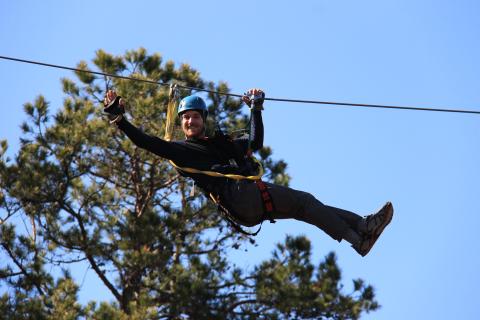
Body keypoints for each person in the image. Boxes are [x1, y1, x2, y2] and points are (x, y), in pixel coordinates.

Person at [103, 88, 393, 256]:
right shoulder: (182, 151)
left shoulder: (222, 144)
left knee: (309, 207)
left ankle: (363, 227)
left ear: (204, 120)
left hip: (249, 199)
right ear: (181, 124)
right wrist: (120, 118)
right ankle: (359, 238)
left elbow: (255, 142)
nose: (190, 121)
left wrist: (255, 109)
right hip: (238, 196)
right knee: (305, 201)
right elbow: (146, 142)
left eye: (194, 116)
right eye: (186, 118)